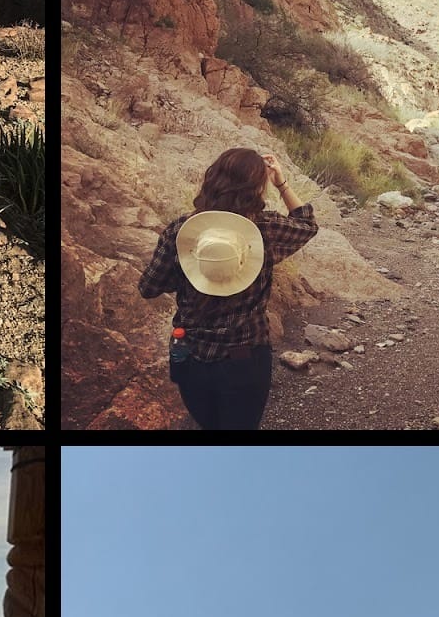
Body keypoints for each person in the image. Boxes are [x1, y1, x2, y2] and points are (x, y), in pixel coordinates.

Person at [137, 148, 320, 429]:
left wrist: (188, 273)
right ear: (256, 187)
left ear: (213, 177)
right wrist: (281, 183)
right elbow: (306, 223)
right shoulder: (264, 229)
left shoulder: (180, 231)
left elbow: (149, 287)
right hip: (246, 361)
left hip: (190, 357)